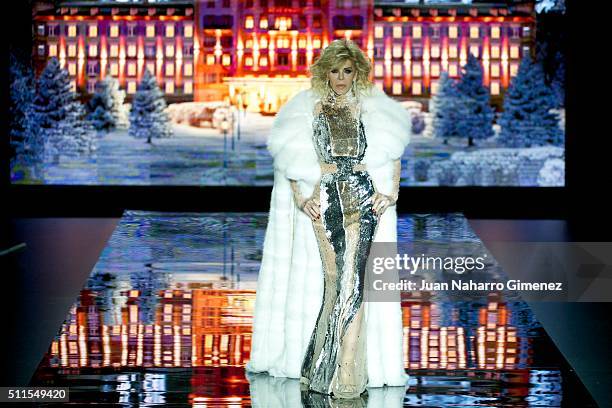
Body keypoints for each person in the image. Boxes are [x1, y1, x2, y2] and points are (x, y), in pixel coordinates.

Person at [246, 39, 411, 401]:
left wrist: (391, 193)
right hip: (325, 202)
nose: (341, 78)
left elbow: (392, 151)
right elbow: (290, 159)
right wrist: (301, 198)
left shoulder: (371, 110)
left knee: (354, 283)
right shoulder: (310, 108)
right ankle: (319, 368)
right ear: (325, 72)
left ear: (358, 72)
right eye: (334, 71)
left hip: (363, 199)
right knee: (336, 283)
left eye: (347, 70)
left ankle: (347, 376)